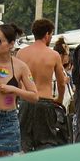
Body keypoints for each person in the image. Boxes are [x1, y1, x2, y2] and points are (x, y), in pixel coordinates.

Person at [0, 24, 45, 158]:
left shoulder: (21, 67)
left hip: (8, 120)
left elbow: (34, 96)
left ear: (11, 44)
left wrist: (14, 89)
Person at [15, 18, 69, 153]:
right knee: (46, 141)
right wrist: (60, 99)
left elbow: (15, 80)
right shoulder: (53, 55)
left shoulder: (21, 53)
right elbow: (61, 83)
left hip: (26, 100)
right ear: (47, 34)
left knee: (24, 139)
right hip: (45, 100)